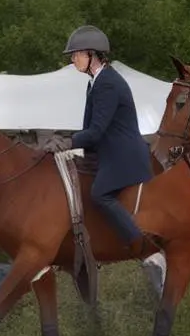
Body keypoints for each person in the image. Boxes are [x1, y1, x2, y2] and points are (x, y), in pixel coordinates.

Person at [62, 24, 152, 252]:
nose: (73, 60)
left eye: (77, 54)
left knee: (99, 194)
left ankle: (136, 240)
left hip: (124, 156)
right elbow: (90, 128)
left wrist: (67, 142)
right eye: (73, 55)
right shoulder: (95, 83)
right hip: (108, 153)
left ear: (92, 55)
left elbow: (95, 132)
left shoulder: (108, 83)